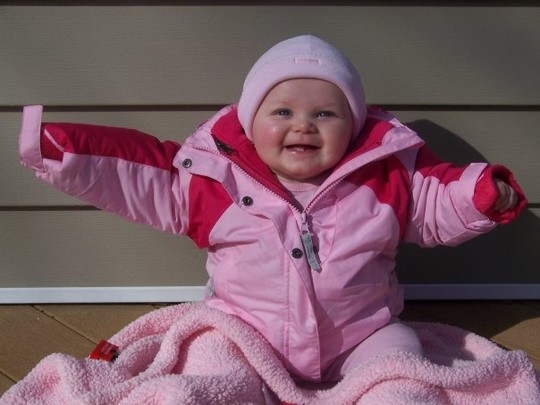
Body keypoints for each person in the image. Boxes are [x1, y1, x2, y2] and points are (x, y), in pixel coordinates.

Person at [19, 35, 526, 383]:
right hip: (246, 336)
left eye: (324, 113)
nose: (303, 125)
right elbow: (139, 175)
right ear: (249, 122)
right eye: (282, 111)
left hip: (363, 335)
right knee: (209, 366)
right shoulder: (212, 178)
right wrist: (64, 152)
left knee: (400, 369)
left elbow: (436, 199)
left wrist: (481, 194)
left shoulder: (384, 178)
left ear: (352, 127)